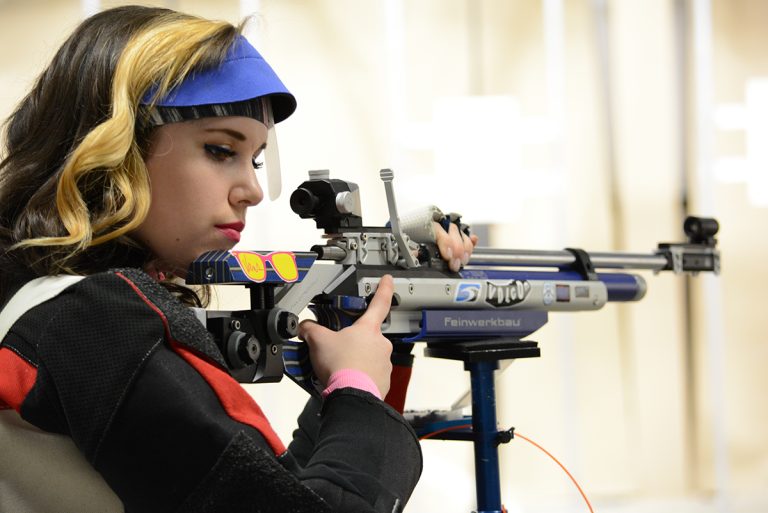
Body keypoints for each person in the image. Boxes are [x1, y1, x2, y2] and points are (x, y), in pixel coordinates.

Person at [0, 5, 478, 513]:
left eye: (253, 159)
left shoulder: (41, 302)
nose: (252, 190)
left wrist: (343, 389)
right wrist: (358, 389)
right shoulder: (94, 324)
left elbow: (246, 492)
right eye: (219, 150)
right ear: (116, 148)